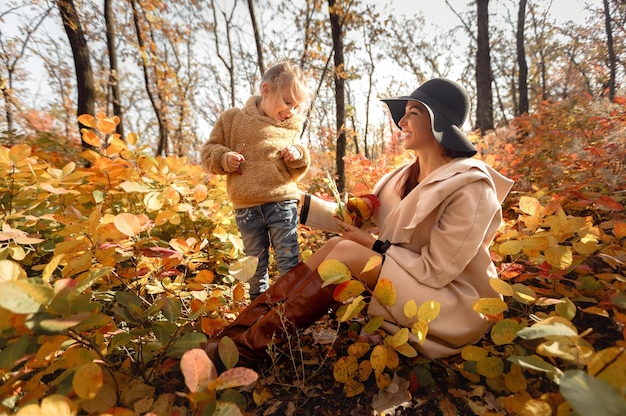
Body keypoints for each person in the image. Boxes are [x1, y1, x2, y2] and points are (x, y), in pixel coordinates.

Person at [204, 78, 514, 370]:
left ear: (438, 122)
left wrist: (372, 245)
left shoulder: (472, 187)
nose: (401, 122)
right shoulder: (403, 177)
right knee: (337, 246)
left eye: (413, 113)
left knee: (348, 254)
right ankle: (234, 336)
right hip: (407, 277)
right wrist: (291, 198)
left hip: (450, 302)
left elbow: (437, 270)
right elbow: (354, 218)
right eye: (403, 114)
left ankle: (244, 354)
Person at [201, 61, 311, 300]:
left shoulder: (291, 125)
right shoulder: (233, 120)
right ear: (265, 90)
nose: (291, 110)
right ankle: (257, 310)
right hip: (247, 206)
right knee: (254, 262)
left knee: (288, 256)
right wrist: (224, 157)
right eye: (287, 101)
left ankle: (290, 308)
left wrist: (297, 155)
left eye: (297, 106)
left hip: (282, 202)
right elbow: (209, 150)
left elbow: (300, 162)